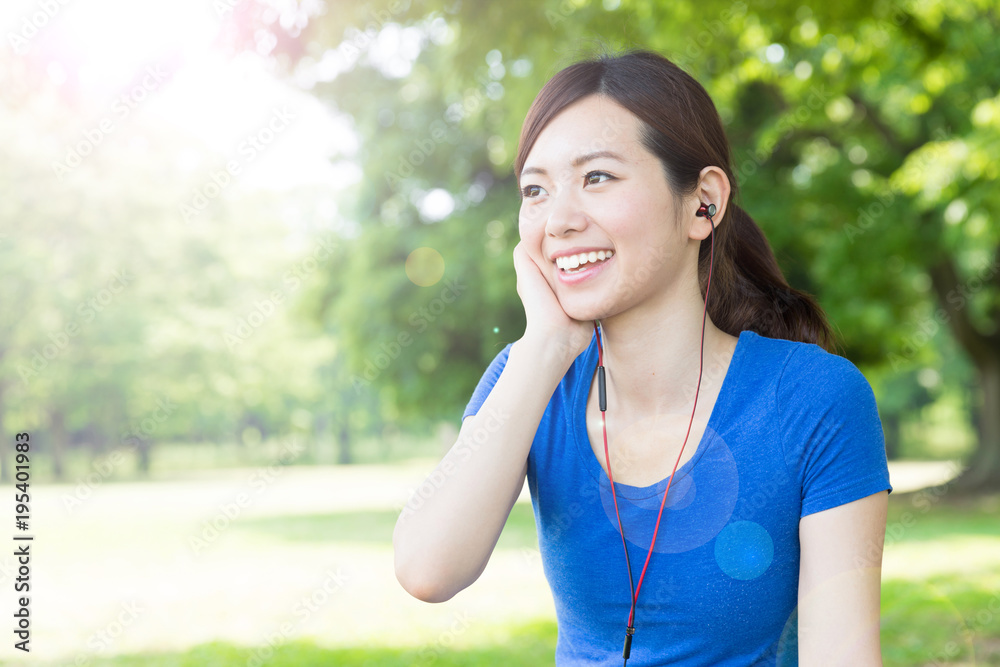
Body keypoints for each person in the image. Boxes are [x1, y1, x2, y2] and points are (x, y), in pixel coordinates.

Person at [393, 48, 892, 666]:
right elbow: (426, 570)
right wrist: (547, 344)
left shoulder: (813, 398)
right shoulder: (528, 379)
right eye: (535, 190)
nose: (560, 220)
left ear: (703, 202)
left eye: (597, 177)